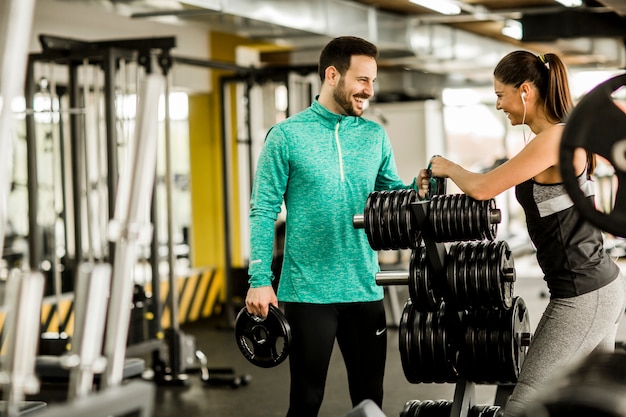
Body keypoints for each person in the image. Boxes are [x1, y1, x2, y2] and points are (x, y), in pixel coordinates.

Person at [418, 50, 626, 417]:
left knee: (523, 402)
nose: (499, 105)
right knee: (591, 405)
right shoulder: (555, 137)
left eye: (501, 95)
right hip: (594, 286)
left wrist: (448, 166)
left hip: (583, 292)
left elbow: (483, 188)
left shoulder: (555, 139)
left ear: (526, 91)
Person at [245, 36, 423, 417]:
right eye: (362, 80)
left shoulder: (374, 135)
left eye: (372, 81)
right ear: (332, 75)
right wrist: (259, 278)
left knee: (370, 400)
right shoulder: (287, 136)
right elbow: (263, 210)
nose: (369, 91)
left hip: (364, 286)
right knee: (307, 400)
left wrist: (420, 186)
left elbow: (391, 195)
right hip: (309, 292)